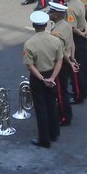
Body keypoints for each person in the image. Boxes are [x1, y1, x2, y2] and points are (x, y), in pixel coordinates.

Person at [22, 10, 63, 148]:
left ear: (34, 25)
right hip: (52, 74)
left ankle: (44, 139)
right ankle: (54, 132)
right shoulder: (55, 40)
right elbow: (59, 60)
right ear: (46, 25)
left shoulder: (29, 44)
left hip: (38, 78)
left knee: (41, 108)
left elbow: (30, 66)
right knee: (52, 104)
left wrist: (42, 79)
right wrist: (52, 78)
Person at [47, 1, 77, 127]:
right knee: (63, 90)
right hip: (68, 60)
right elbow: (71, 43)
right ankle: (67, 113)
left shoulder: (56, 32)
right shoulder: (65, 24)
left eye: (51, 11)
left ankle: (64, 117)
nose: (48, 13)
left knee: (60, 92)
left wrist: (69, 62)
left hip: (62, 63)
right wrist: (73, 58)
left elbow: (61, 52)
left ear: (55, 15)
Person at [62, 0, 87, 102]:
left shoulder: (70, 8)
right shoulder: (79, 2)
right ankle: (83, 91)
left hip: (75, 39)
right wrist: (86, 32)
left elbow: (72, 28)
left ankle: (77, 95)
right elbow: (84, 19)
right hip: (81, 36)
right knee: (84, 67)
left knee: (75, 68)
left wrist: (83, 34)